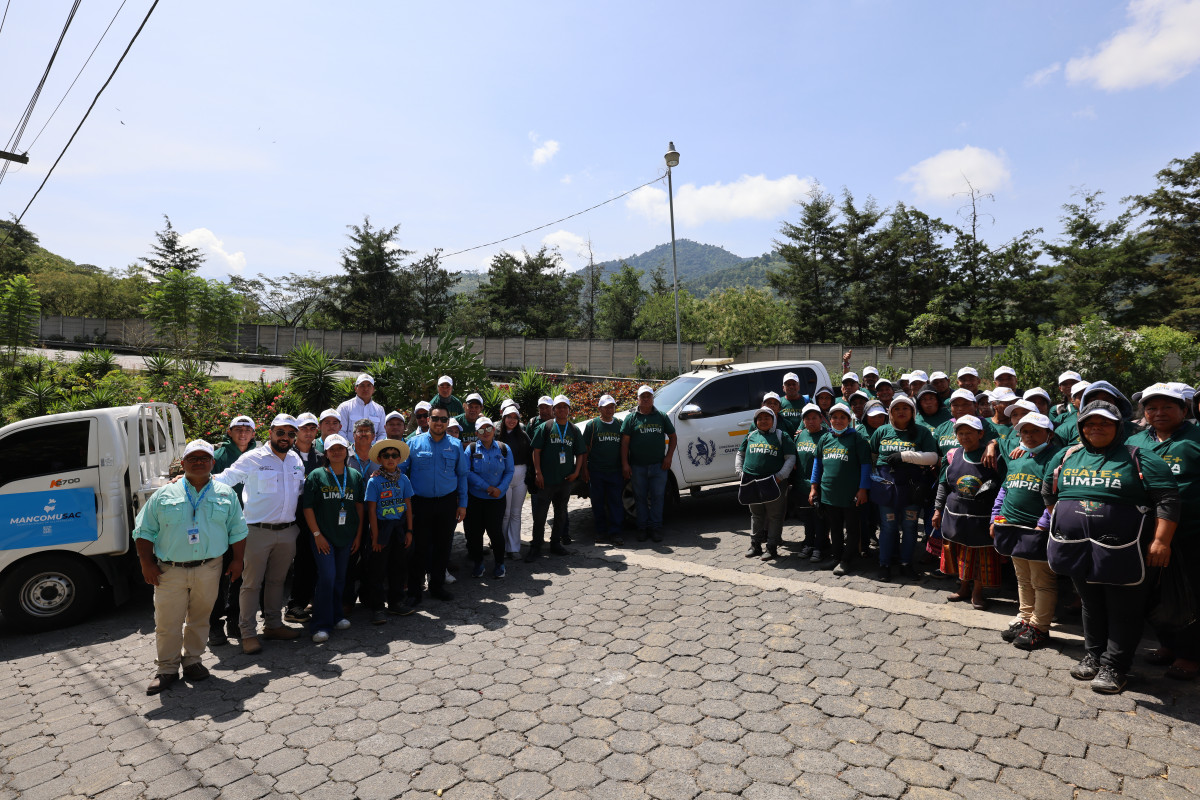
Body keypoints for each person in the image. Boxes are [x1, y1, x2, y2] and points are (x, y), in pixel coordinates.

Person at [1043, 399, 1179, 694]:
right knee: (1091, 603)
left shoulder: (1139, 457)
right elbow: (1048, 491)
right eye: (1090, 423)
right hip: (1078, 548)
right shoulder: (1067, 456)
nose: (1097, 428)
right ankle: (1093, 656)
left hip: (1125, 550)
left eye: (1105, 423)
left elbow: (1167, 500)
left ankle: (1115, 666)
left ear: (1118, 427)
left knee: (1123, 608)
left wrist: (1161, 541)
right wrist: (1067, 520)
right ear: (1081, 427)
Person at [134, 440, 247, 695]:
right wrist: (146, 563)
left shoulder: (226, 493)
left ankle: (193, 661)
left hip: (209, 568)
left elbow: (238, 530)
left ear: (212, 463)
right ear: (183, 463)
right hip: (169, 570)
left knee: (200, 618)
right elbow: (143, 531)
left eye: (204, 458)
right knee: (167, 622)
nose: (198, 462)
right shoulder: (164, 494)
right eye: (193, 458)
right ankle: (166, 669)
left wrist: (238, 560)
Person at [212, 414, 307, 655]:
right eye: (280, 432)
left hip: (287, 532)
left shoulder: (295, 459)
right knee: (251, 585)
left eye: (290, 434)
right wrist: (194, 479)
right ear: (270, 432)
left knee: (277, 582)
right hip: (257, 532)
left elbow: (301, 489)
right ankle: (248, 633)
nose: (285, 437)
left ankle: (273, 625)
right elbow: (226, 478)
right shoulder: (253, 457)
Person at [1129, 383, 1200, 680]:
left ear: (1184, 409)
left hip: (1190, 533)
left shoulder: (1195, 438)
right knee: (1156, 594)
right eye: (1151, 408)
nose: (1158, 413)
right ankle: (1168, 645)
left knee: (1190, 594)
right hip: (1144, 532)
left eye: (1167, 407)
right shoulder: (1134, 441)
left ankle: (1191, 655)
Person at [990, 412, 1062, 650]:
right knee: (1023, 578)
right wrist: (995, 517)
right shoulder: (1018, 456)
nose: (1029, 436)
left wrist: (1043, 523)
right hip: (1012, 527)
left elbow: (1056, 494)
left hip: (1036, 529)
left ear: (1049, 434)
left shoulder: (1055, 457)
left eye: (1036, 431)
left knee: (1042, 581)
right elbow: (1005, 489)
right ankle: (1025, 618)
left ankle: (1039, 627)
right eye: (1025, 431)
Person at [931, 416, 1003, 610]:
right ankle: (963, 587)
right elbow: (943, 484)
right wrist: (937, 510)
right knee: (961, 553)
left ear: (980, 434)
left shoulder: (993, 457)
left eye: (969, 433)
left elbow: (1003, 486)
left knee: (979, 556)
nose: (964, 437)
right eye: (960, 433)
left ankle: (977, 592)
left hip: (982, 516)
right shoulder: (953, 455)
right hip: (956, 515)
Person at [401, 406, 468, 601]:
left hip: (447, 503)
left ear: (448, 422)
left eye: (443, 419)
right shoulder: (413, 443)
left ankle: (437, 586)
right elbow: (401, 472)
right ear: (428, 420)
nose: (439, 423)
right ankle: (414, 591)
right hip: (420, 503)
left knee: (443, 546)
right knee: (419, 548)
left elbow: (462, 475)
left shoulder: (456, 445)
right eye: (436, 418)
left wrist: (462, 504)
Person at [301, 434, 365, 638]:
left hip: (346, 536)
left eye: (340, 448)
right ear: (326, 453)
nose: (337, 452)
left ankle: (336, 616)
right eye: (332, 449)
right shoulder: (317, 475)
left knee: (339, 578)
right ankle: (320, 625)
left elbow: (359, 507)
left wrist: (358, 536)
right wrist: (317, 534)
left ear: (347, 451)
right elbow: (308, 507)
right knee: (327, 577)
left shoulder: (355, 475)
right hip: (323, 536)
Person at [870, 396, 939, 581]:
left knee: (909, 526)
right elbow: (872, 457)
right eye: (897, 408)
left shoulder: (922, 432)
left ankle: (906, 564)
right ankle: (884, 564)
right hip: (886, 488)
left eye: (905, 408)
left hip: (912, 487)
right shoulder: (882, 431)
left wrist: (905, 456)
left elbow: (933, 457)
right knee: (888, 526)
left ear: (912, 412)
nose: (901, 411)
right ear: (890, 412)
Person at [207, 415, 256, 646]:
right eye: (238, 429)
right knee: (218, 577)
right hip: (221, 524)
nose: (243, 433)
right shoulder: (218, 457)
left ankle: (235, 619)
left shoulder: (260, 456)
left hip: (248, 525)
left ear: (254, 433)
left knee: (242, 575)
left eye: (247, 429)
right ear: (229, 432)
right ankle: (214, 625)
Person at [810, 404, 872, 575]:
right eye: (835, 417)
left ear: (849, 420)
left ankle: (847, 560)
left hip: (851, 494)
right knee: (835, 527)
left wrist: (863, 489)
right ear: (830, 420)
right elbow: (817, 464)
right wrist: (814, 488)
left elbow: (866, 465)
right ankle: (836, 557)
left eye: (842, 417)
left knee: (852, 528)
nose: (838, 421)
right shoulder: (825, 438)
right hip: (829, 494)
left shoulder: (857, 438)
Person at [529, 395, 585, 561]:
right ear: (553, 410)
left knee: (560, 513)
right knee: (540, 515)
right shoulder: (545, 427)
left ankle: (555, 544)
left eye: (564, 407)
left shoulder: (574, 429)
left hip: (565, 480)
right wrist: (538, 473)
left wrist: (576, 472)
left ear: (569, 410)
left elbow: (580, 453)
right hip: (546, 480)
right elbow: (536, 451)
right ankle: (536, 546)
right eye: (558, 407)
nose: (561, 410)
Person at [364, 438, 415, 619]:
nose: (390, 459)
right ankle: (377, 607)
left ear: (399, 458)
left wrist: (409, 531)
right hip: (382, 528)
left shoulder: (404, 479)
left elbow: (408, 505)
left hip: (399, 528)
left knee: (398, 566)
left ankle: (396, 602)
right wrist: (376, 536)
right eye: (386, 456)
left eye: (394, 455)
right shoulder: (374, 481)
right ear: (379, 459)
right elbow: (371, 510)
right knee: (378, 569)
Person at [736, 407, 796, 561]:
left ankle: (771, 547)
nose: (763, 421)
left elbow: (790, 458)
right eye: (760, 418)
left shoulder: (782, 436)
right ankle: (755, 545)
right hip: (752, 482)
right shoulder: (751, 435)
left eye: (767, 418)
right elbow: (740, 454)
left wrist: (780, 476)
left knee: (775, 516)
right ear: (755, 421)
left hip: (774, 482)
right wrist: (740, 472)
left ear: (773, 420)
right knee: (756, 514)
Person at [621, 385, 678, 544]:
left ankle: (656, 528)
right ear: (638, 399)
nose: (646, 399)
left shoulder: (661, 416)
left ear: (653, 399)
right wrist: (625, 464)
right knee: (639, 498)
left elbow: (673, 437)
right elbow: (624, 443)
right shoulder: (631, 418)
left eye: (648, 396)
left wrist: (668, 457)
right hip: (637, 467)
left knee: (658, 498)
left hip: (658, 466)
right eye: (643, 396)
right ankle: (642, 528)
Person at [285, 412, 324, 627]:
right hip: (288, 515)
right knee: (286, 563)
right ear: (296, 431)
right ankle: (288, 606)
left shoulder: (321, 457)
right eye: (304, 428)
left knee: (308, 560)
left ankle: (302, 603)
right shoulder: (286, 455)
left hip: (313, 516)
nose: (308, 432)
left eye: (312, 428)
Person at [465, 417, 514, 578]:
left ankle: (500, 563)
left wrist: (500, 489)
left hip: (496, 499)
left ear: (493, 430)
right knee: (475, 533)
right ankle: (478, 563)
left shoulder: (504, 448)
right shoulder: (471, 449)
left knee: (495, 532)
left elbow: (509, 471)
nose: (485, 432)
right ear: (476, 433)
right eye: (481, 429)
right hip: (476, 498)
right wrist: (486, 487)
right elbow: (467, 472)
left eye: (488, 428)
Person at [583, 394, 625, 546]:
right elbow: (585, 449)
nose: (609, 409)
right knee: (598, 502)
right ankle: (600, 531)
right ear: (599, 408)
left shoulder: (619, 424)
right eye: (606, 407)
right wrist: (584, 469)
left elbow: (624, 447)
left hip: (615, 471)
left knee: (616, 502)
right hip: (596, 471)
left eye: (612, 406)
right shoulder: (592, 425)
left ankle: (615, 532)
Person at [497, 400, 533, 558]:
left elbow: (531, 455)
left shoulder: (523, 435)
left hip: (520, 475)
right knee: (505, 513)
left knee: (516, 513)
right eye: (509, 417)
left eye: (515, 417)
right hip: (503, 476)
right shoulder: (497, 434)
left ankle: (514, 548)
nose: (512, 420)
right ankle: (502, 546)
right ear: (503, 418)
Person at [793, 404, 825, 560]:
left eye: (814, 418)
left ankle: (820, 546)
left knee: (819, 518)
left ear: (821, 419)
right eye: (807, 418)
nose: (811, 421)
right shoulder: (799, 435)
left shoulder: (827, 436)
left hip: (819, 486)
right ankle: (809, 543)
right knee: (806, 518)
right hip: (801, 485)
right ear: (803, 421)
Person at [338, 374, 386, 443]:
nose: (365, 389)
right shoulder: (345, 407)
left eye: (369, 385)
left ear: (373, 389)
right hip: (350, 449)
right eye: (362, 385)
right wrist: (349, 447)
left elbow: (383, 433)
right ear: (355, 388)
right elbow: (340, 431)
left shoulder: (380, 410)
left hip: (373, 449)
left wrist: (376, 447)